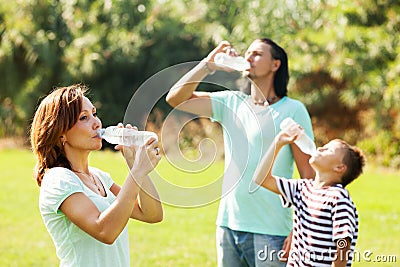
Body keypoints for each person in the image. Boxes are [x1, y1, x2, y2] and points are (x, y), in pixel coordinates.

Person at [166, 39, 315, 267]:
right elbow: (175, 98)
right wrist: (208, 64)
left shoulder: (294, 110)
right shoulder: (231, 102)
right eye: (247, 53)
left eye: (257, 54)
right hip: (228, 226)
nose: (249, 58)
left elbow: (309, 177)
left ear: (275, 65)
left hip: (272, 231)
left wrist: (300, 230)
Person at [30, 84, 163, 267]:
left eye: (94, 113)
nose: (97, 123)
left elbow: (151, 214)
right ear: (61, 134)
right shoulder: (58, 180)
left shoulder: (100, 177)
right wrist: (137, 171)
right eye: (84, 118)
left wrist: (133, 163)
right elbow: (105, 231)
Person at [253, 124, 365, 267]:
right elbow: (261, 178)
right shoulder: (302, 188)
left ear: (339, 168)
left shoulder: (338, 199)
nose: (320, 148)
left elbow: (343, 244)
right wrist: (278, 142)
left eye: (328, 150)